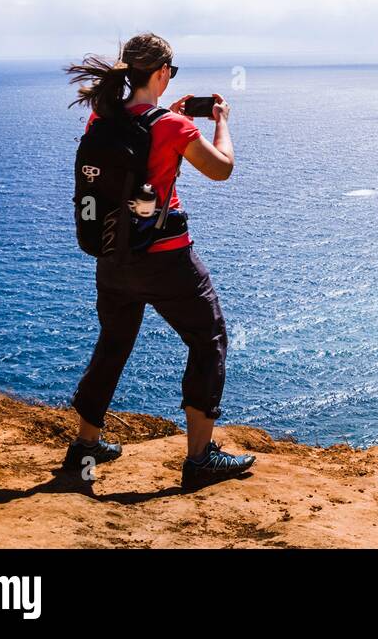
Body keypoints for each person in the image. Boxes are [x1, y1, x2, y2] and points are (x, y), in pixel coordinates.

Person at [61, 32, 255, 492]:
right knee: (208, 339)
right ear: (163, 73)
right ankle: (200, 458)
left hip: (112, 256)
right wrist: (220, 122)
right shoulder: (174, 128)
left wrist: (171, 114)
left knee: (113, 343)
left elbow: (138, 139)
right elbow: (221, 168)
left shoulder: (101, 118)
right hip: (167, 260)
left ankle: (88, 444)